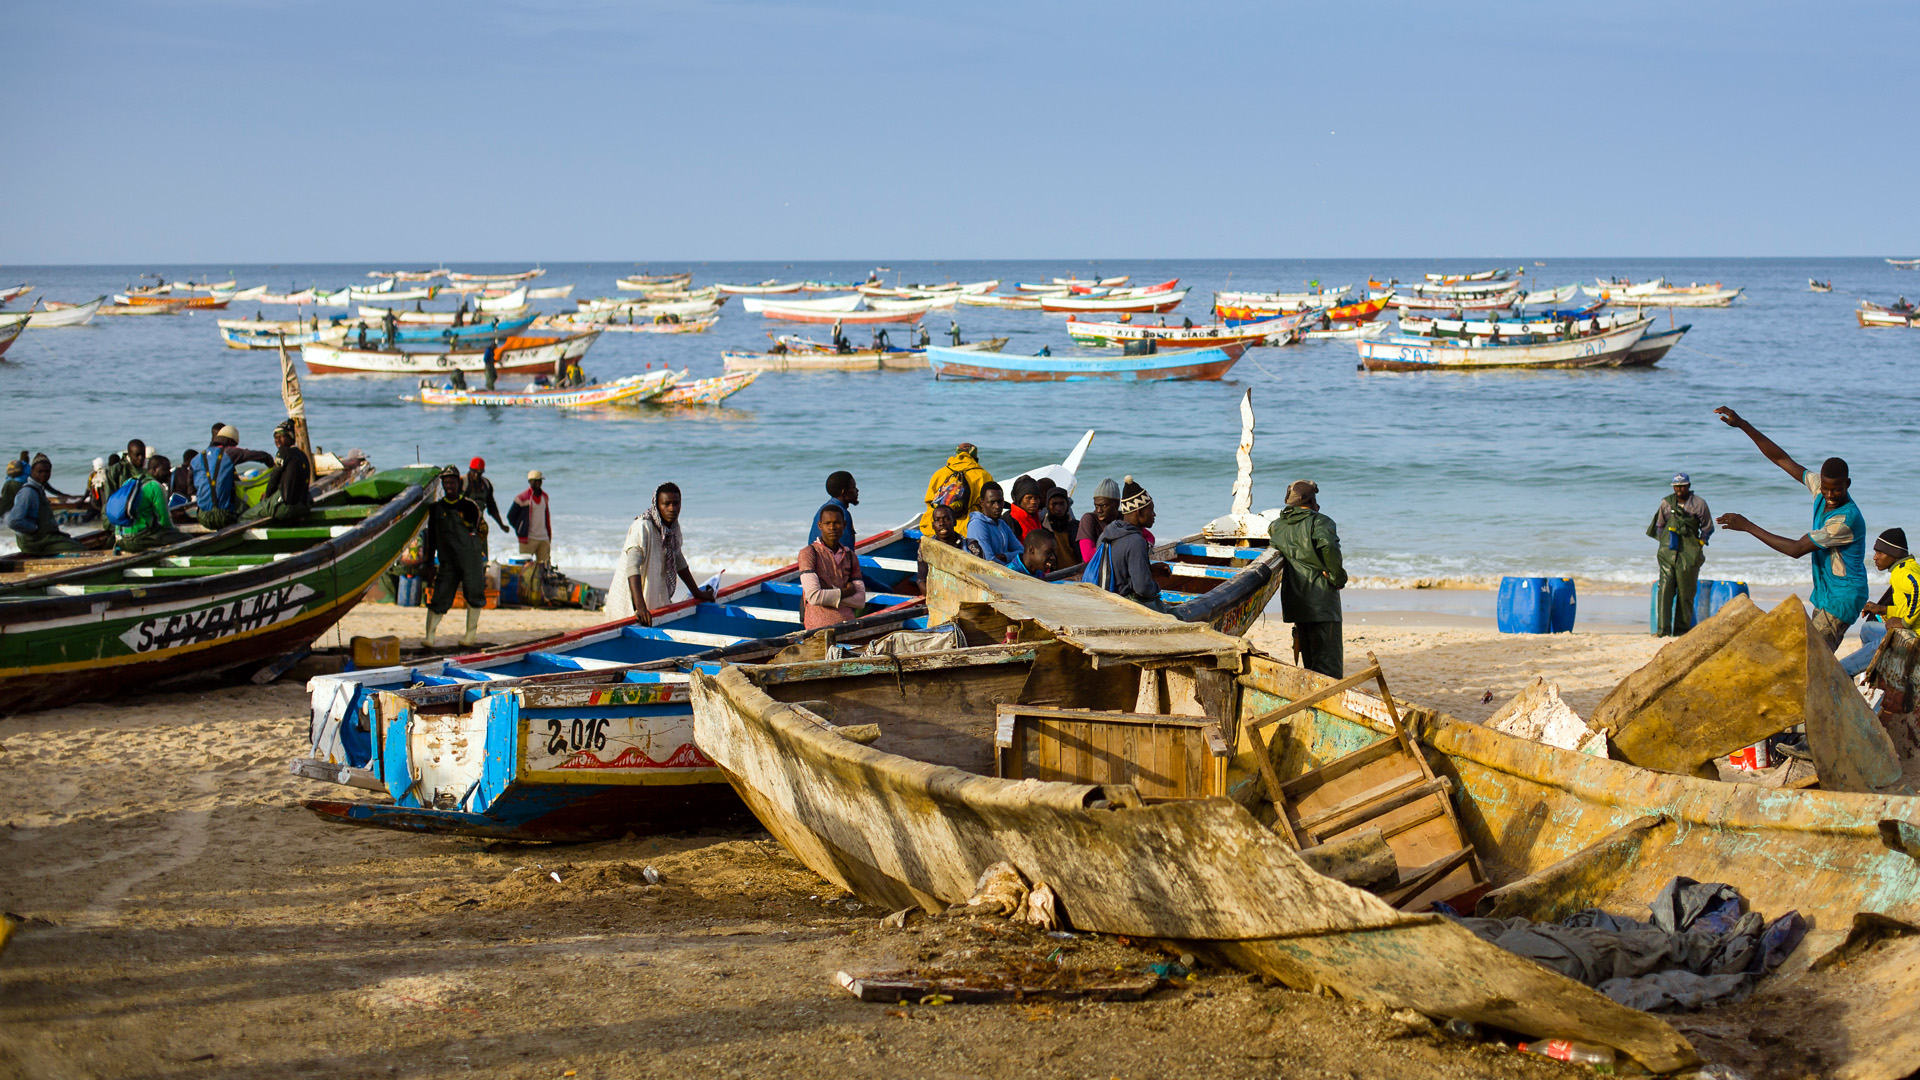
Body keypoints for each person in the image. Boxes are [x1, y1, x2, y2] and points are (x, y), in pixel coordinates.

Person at [1713, 406, 1867, 651]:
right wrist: (1743, 425)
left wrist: (1748, 526)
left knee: (1811, 657)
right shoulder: (1820, 488)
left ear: (1847, 484)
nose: (1829, 495)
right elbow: (1781, 459)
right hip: (1826, 593)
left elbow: (1796, 549)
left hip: (1844, 596)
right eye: (1826, 488)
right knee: (1814, 656)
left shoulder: (1845, 520)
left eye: (1836, 489)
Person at [1268, 480, 1348, 678]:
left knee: (1309, 660)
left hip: (1295, 599)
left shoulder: (1276, 526)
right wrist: (1337, 578)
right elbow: (1329, 547)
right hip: (1321, 600)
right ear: (1312, 500)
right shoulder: (1320, 522)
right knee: (1328, 664)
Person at [604, 482, 716, 625]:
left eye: (676, 504)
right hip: (631, 603)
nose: (672, 509)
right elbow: (632, 567)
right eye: (666, 504)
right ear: (657, 506)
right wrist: (640, 608)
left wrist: (697, 593)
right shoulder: (643, 527)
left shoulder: (673, 527)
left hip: (652, 601)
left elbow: (678, 559)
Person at [422, 466, 487, 648]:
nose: (449, 485)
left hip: (470, 559)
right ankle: (429, 636)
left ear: (458, 483)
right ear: (442, 484)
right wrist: (428, 563)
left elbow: (481, 530)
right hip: (447, 561)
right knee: (440, 596)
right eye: (446, 482)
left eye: (452, 481)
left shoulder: (469, 506)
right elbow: (432, 538)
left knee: (474, 593)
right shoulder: (435, 509)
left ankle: (470, 636)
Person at [1843, 529, 1920, 677]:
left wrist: (1905, 622)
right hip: (1909, 632)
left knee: (1842, 669)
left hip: (1912, 638)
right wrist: (1882, 609)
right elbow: (1907, 606)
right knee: (1867, 629)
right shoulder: (1906, 568)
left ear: (1893, 553)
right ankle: (1877, 669)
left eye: (1880, 552)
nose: (1875, 557)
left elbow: (1919, 588)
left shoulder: (1903, 572)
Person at [1648, 472, 1714, 636]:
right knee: (1665, 591)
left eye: (1682, 486)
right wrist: (1665, 542)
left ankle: (1681, 631)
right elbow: (1660, 525)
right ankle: (1662, 631)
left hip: (1689, 555)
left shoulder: (1699, 504)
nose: (1679, 490)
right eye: (1676, 486)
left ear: (1688, 486)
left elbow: (1707, 528)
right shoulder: (1666, 503)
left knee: (1686, 593)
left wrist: (1699, 544)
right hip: (1667, 553)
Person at [1096, 476, 1168, 611]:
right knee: (1178, 615)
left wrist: (1150, 570)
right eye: (1151, 510)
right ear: (1139, 512)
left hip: (1108, 601)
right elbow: (1142, 589)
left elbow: (1120, 572)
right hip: (1127, 606)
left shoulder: (1106, 533)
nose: (1154, 514)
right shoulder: (1137, 541)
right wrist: (1156, 585)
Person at [191, 424, 272, 530]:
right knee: (250, 510)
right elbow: (263, 456)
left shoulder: (195, 459)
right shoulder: (229, 452)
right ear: (230, 442)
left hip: (203, 517)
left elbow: (191, 489)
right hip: (225, 515)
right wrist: (274, 467)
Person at [798, 504, 865, 629]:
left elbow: (860, 601)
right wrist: (847, 591)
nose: (832, 527)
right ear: (820, 526)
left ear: (844, 525)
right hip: (818, 627)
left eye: (836, 523)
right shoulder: (809, 553)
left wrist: (830, 592)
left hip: (848, 624)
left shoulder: (850, 555)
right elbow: (814, 597)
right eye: (827, 523)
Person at [5, 455, 83, 555]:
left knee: (76, 542)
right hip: (35, 542)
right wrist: (34, 528)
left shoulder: (39, 489)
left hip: (45, 538)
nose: (44, 475)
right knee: (79, 549)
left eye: (47, 472)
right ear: (32, 471)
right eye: (40, 471)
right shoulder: (28, 492)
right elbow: (13, 521)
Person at [116, 455, 191, 552]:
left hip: (120, 539)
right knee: (187, 538)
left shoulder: (130, 481)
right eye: (165, 469)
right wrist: (175, 531)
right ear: (155, 470)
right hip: (137, 540)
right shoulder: (156, 487)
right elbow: (164, 521)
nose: (169, 473)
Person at [242, 420, 311, 523]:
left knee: (244, 517)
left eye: (281, 436)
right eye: (275, 437)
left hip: (286, 506)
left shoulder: (283, 453)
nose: (277, 440)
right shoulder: (303, 455)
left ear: (291, 437)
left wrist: (267, 497)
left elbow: (274, 479)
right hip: (303, 507)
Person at [920, 442, 992, 536]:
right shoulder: (983, 476)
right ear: (976, 458)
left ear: (957, 455)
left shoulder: (940, 473)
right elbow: (989, 506)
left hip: (934, 529)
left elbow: (929, 502)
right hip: (967, 530)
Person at [963, 482, 1022, 565]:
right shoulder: (977, 525)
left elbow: (1022, 551)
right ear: (981, 503)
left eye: (1000, 501)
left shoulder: (1002, 524)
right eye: (992, 502)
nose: (997, 506)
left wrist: (1005, 556)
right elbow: (989, 561)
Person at [507, 469, 552, 566]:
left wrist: (549, 535)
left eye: (540, 480)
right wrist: (521, 529)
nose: (538, 483)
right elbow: (511, 516)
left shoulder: (545, 497)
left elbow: (546, 516)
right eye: (536, 481)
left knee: (545, 567)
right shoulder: (522, 498)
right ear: (530, 482)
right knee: (526, 568)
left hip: (543, 538)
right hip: (528, 539)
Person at [915, 502, 963, 590]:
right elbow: (921, 579)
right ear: (933, 525)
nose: (941, 523)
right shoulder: (925, 547)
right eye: (937, 520)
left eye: (946, 519)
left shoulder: (969, 546)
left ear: (954, 522)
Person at [808, 471, 859, 548]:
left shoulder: (823, 509)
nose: (857, 490)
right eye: (854, 487)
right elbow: (846, 550)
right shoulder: (841, 514)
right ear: (844, 492)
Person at [1077, 477, 1121, 563]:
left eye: (1104, 506)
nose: (1099, 510)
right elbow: (1088, 556)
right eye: (1096, 506)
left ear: (1117, 504)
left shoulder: (1123, 518)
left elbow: (1149, 537)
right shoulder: (1089, 519)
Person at [466, 457, 508, 534]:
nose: (476, 475)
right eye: (474, 472)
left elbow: (492, 507)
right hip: (463, 526)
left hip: (479, 525)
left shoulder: (486, 484)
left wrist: (501, 525)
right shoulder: (462, 483)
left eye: (479, 473)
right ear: (470, 469)